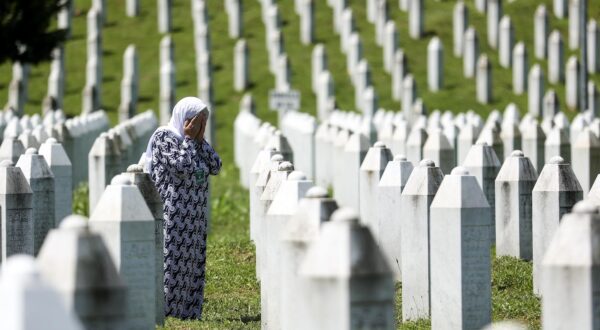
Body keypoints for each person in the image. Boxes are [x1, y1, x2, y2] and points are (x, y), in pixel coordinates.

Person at [144, 97, 222, 319]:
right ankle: (168, 311)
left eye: (203, 122)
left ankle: (189, 312)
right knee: (172, 265)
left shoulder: (194, 143)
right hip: (173, 214)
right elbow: (181, 166)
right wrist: (188, 140)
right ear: (184, 119)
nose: (199, 127)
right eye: (197, 121)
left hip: (195, 217)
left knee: (193, 265)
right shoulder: (164, 137)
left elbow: (216, 166)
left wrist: (199, 141)